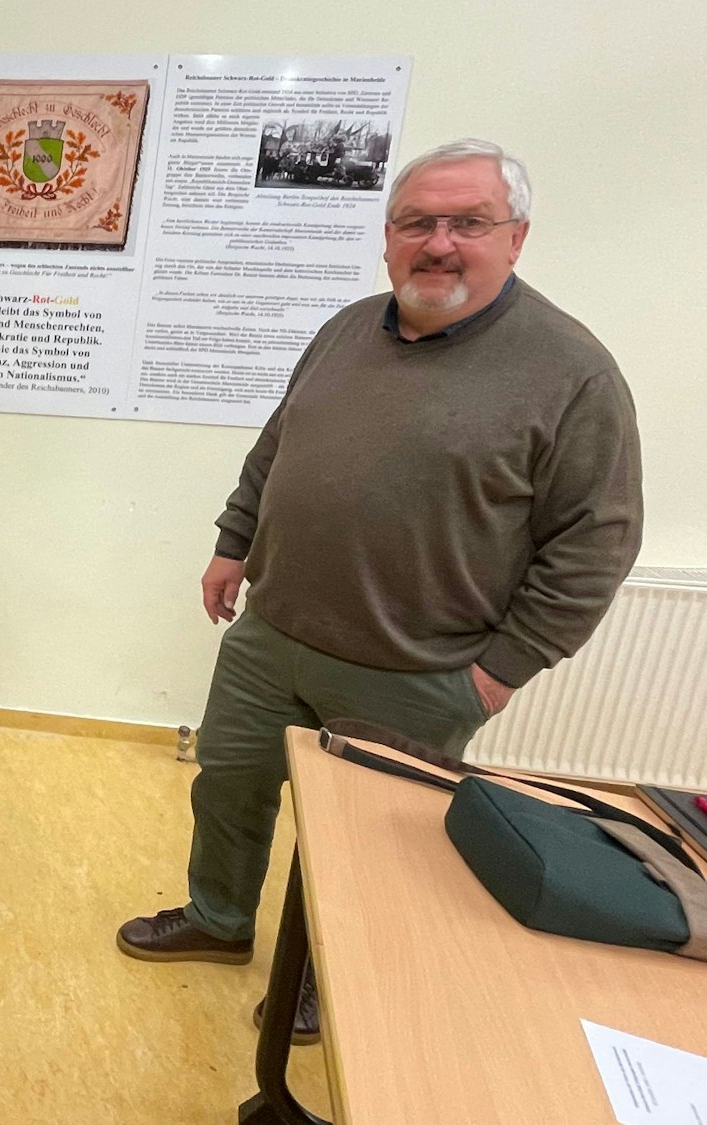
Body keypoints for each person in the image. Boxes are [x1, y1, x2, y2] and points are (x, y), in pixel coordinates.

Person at [116, 139, 643, 1044]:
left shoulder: (573, 373)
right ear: (387, 236)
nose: (438, 243)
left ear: (514, 238)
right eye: (415, 223)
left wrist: (499, 672)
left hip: (416, 671)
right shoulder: (346, 329)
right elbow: (278, 445)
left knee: (363, 839)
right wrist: (233, 541)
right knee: (229, 787)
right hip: (272, 636)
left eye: (466, 222)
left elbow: (597, 542)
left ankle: (325, 969)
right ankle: (220, 917)